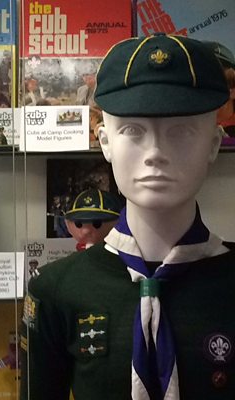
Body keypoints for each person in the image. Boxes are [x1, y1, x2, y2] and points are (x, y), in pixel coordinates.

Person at [20, 33, 235, 399]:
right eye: (133, 131)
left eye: (181, 131)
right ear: (105, 142)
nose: (155, 152)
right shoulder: (56, 290)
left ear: (213, 144)